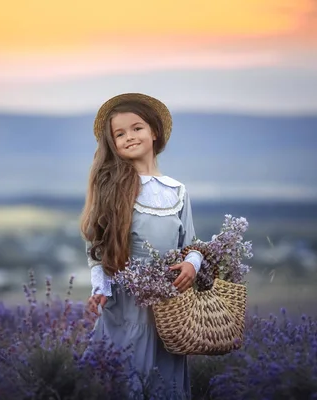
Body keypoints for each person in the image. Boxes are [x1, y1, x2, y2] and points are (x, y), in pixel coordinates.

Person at [80, 93, 204, 398]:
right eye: (119, 134)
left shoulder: (178, 191)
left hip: (167, 308)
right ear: (112, 144)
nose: (129, 137)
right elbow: (96, 248)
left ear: (154, 132)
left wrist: (193, 264)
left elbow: (192, 244)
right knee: (125, 378)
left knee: (164, 381)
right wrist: (100, 290)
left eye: (137, 128)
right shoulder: (110, 187)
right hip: (125, 301)